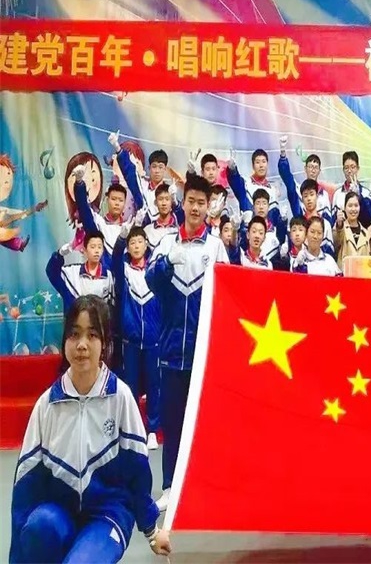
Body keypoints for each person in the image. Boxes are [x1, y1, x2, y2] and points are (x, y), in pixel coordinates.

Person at [9, 296, 171, 563]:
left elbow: (137, 472)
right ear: (65, 341)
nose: (82, 345)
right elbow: (26, 486)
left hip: (108, 513)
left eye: (92, 335)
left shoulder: (120, 398)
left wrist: (152, 532)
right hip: (59, 510)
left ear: (105, 343)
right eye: (74, 334)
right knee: (39, 527)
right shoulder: (47, 405)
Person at [145, 174, 229, 512]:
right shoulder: (167, 243)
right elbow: (150, 281)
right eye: (191, 201)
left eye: (201, 203)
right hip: (170, 352)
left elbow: (228, 295)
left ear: (208, 207)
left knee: (205, 424)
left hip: (203, 354)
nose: (195, 208)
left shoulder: (216, 247)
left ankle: (205, 486)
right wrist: (167, 264)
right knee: (173, 423)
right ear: (183, 203)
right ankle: (169, 486)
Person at [112, 222, 161, 450]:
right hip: (130, 340)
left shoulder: (154, 270)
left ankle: (152, 430)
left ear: (146, 245)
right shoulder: (123, 270)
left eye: (140, 242)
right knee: (130, 386)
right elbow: (114, 259)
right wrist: (121, 238)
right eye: (132, 243)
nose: (136, 246)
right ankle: (133, 429)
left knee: (153, 386)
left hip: (153, 340)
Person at [46, 231, 114, 310]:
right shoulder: (72, 273)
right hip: (75, 317)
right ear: (85, 250)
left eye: (99, 247)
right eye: (93, 247)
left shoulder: (108, 276)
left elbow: (112, 307)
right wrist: (63, 251)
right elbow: (51, 271)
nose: (97, 251)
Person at [333, 191, 371, 267]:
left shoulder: (365, 233)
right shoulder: (340, 227)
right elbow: (336, 241)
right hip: (344, 272)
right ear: (344, 208)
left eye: (356, 205)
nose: (353, 209)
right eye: (350, 206)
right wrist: (339, 225)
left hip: (361, 272)